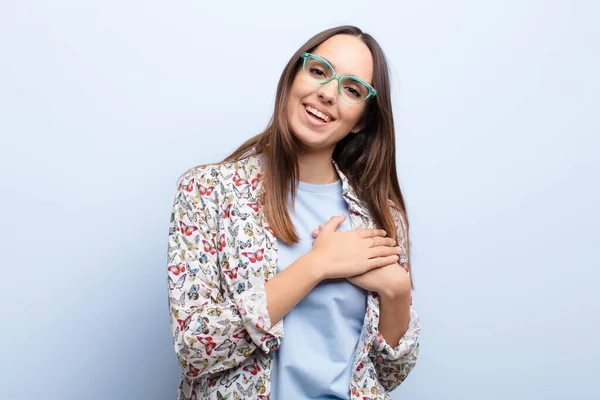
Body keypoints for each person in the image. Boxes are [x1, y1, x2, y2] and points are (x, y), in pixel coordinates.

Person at [167, 25, 421, 400]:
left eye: (351, 89)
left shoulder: (379, 215)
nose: (327, 93)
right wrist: (316, 265)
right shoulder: (208, 191)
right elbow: (195, 350)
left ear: (363, 119)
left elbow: (387, 375)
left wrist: (397, 293)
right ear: (293, 77)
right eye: (319, 71)